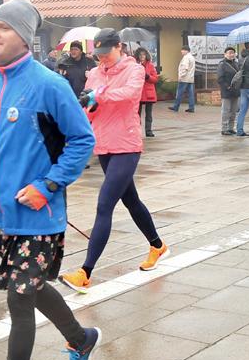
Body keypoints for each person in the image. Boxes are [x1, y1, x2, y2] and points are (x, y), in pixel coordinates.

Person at [0, 0, 101, 360]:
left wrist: (48, 184)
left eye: (3, 27)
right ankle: (81, 339)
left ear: (24, 36)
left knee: (19, 298)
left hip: (40, 214)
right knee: (33, 288)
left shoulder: (49, 85)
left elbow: (82, 140)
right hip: (0, 213)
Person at [60, 29, 169, 292]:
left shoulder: (134, 70)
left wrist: (99, 95)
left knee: (104, 204)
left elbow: (129, 95)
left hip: (126, 145)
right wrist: (86, 108)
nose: (102, 58)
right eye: (98, 54)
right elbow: (89, 108)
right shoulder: (94, 73)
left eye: (106, 53)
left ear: (119, 47)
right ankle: (157, 245)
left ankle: (85, 272)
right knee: (131, 200)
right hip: (104, 144)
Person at [217, 47, 241, 135]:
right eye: (229, 53)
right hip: (226, 91)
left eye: (233, 53)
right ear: (225, 54)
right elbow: (220, 78)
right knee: (226, 111)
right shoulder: (222, 64)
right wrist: (227, 86)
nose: (231, 55)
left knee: (233, 111)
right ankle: (224, 129)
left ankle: (231, 128)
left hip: (236, 91)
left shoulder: (236, 64)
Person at [135, 48, 158, 137]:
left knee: (149, 114)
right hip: (138, 92)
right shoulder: (135, 65)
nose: (142, 56)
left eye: (143, 55)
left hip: (148, 93)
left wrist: (147, 76)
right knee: (137, 114)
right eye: (140, 55)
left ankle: (148, 131)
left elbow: (155, 79)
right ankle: (137, 131)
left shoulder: (150, 66)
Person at [170, 46, 196, 112]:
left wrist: (181, 76)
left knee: (179, 93)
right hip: (190, 78)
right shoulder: (192, 57)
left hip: (184, 78)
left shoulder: (186, 57)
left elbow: (185, 68)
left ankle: (176, 107)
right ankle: (191, 107)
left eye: (182, 50)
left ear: (186, 51)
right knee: (191, 94)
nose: (181, 51)